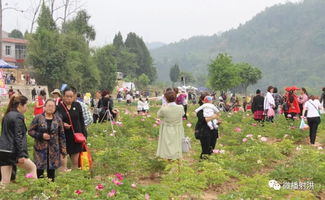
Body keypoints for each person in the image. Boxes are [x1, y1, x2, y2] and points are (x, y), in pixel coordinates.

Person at [0, 96, 37, 185]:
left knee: (5, 180)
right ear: (20, 105)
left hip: (3, 150)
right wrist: (20, 155)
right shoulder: (18, 116)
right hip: (13, 151)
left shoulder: (7, 115)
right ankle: (33, 193)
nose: (26, 108)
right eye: (26, 105)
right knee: (32, 168)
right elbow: (18, 136)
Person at [28, 99, 67, 181]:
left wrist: (63, 149)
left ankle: (51, 190)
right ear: (44, 107)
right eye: (48, 105)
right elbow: (30, 131)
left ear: (55, 108)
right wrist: (41, 135)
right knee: (39, 171)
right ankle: (39, 189)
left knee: (51, 172)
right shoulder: (38, 118)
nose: (51, 108)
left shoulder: (58, 119)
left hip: (54, 149)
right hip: (40, 150)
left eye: (53, 106)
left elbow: (62, 135)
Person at [56, 88, 87, 169]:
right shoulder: (58, 107)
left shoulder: (77, 105)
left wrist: (84, 135)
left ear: (74, 97)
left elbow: (81, 121)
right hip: (63, 138)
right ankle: (63, 179)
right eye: (67, 96)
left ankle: (74, 178)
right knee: (63, 163)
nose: (69, 98)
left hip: (76, 138)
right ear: (63, 96)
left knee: (75, 163)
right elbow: (55, 121)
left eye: (71, 96)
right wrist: (62, 124)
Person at [156, 91, 184, 160]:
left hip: (167, 128)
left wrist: (163, 106)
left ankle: (169, 159)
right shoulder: (180, 107)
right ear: (175, 98)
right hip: (177, 128)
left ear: (166, 99)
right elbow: (182, 114)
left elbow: (159, 115)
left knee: (167, 145)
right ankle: (176, 159)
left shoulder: (164, 109)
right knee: (176, 144)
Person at [195, 93, 220, 159]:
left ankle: (209, 165)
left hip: (213, 131)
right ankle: (203, 165)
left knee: (211, 149)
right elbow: (203, 120)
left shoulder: (212, 108)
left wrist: (217, 122)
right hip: (204, 132)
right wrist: (213, 116)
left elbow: (216, 117)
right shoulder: (200, 110)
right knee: (205, 150)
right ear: (202, 100)